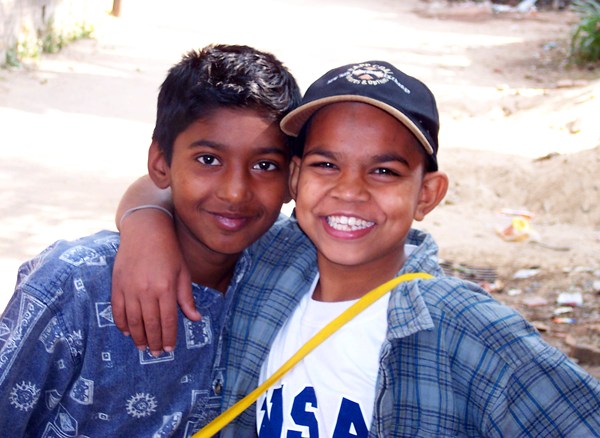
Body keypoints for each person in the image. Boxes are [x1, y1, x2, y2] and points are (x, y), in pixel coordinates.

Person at [112, 61, 600, 436]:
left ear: (427, 195)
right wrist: (145, 225)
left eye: (384, 171)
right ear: (295, 178)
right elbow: (174, 185)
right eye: (326, 165)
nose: (349, 191)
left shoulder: (466, 329)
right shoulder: (272, 258)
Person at [0, 43, 301, 437]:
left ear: (292, 179)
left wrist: (145, 215)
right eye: (209, 159)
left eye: (265, 165)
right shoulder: (75, 288)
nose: (235, 192)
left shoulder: (290, 266)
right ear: (161, 163)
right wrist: (145, 218)